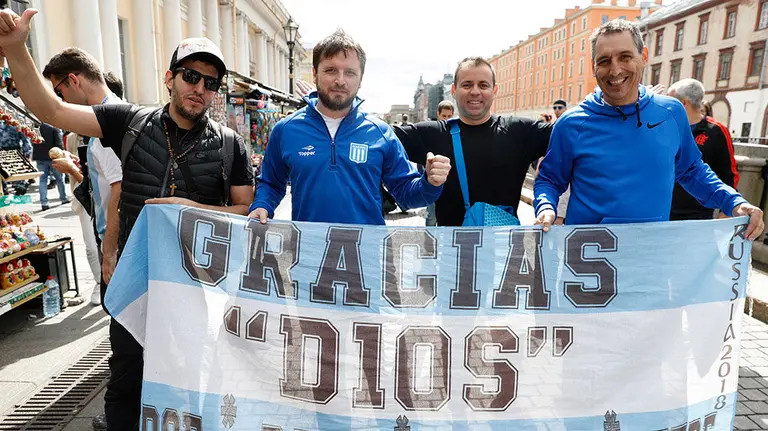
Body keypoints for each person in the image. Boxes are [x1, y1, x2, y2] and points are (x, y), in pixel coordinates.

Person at [0, 9, 256, 429]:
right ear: (169, 78)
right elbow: (50, 107)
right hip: (138, 282)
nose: (200, 89)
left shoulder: (231, 145)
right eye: (191, 76)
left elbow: (245, 210)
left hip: (196, 289)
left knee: (193, 381)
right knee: (126, 380)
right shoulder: (130, 121)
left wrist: (188, 209)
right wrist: (14, 48)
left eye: (211, 83)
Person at [533, 19, 764, 240]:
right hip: (587, 260)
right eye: (604, 61)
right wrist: (545, 207)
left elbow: (691, 170)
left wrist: (734, 202)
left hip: (651, 256)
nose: (615, 70)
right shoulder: (572, 123)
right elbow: (550, 179)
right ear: (594, 66)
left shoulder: (671, 112)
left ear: (643, 56)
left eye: (625, 57)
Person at [249, 29, 450, 225]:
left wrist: (430, 183)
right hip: (309, 254)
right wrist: (262, 205)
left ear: (360, 79)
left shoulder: (380, 133)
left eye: (350, 73)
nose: (340, 80)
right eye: (331, 70)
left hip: (366, 255)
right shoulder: (286, 130)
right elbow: (271, 184)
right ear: (315, 74)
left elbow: (407, 194)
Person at [394, 57, 552, 226]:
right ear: (454, 90)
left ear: (494, 90)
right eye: (467, 85)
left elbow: (572, 134)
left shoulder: (520, 131)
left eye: (483, 85)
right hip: (452, 249)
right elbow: (378, 136)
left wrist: (548, 204)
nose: (475, 91)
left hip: (504, 248)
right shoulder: (433, 133)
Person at [668, 79, 739, 221]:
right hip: (665, 209)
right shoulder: (666, 127)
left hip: (697, 214)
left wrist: (728, 207)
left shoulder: (716, 130)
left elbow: (729, 173)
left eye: (670, 101)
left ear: (682, 103)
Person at [34, 123, 69, 210]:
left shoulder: (36, 127)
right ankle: (63, 198)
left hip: (40, 157)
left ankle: (44, 203)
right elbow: (59, 143)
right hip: (54, 157)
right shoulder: (54, 127)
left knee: (42, 180)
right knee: (60, 179)